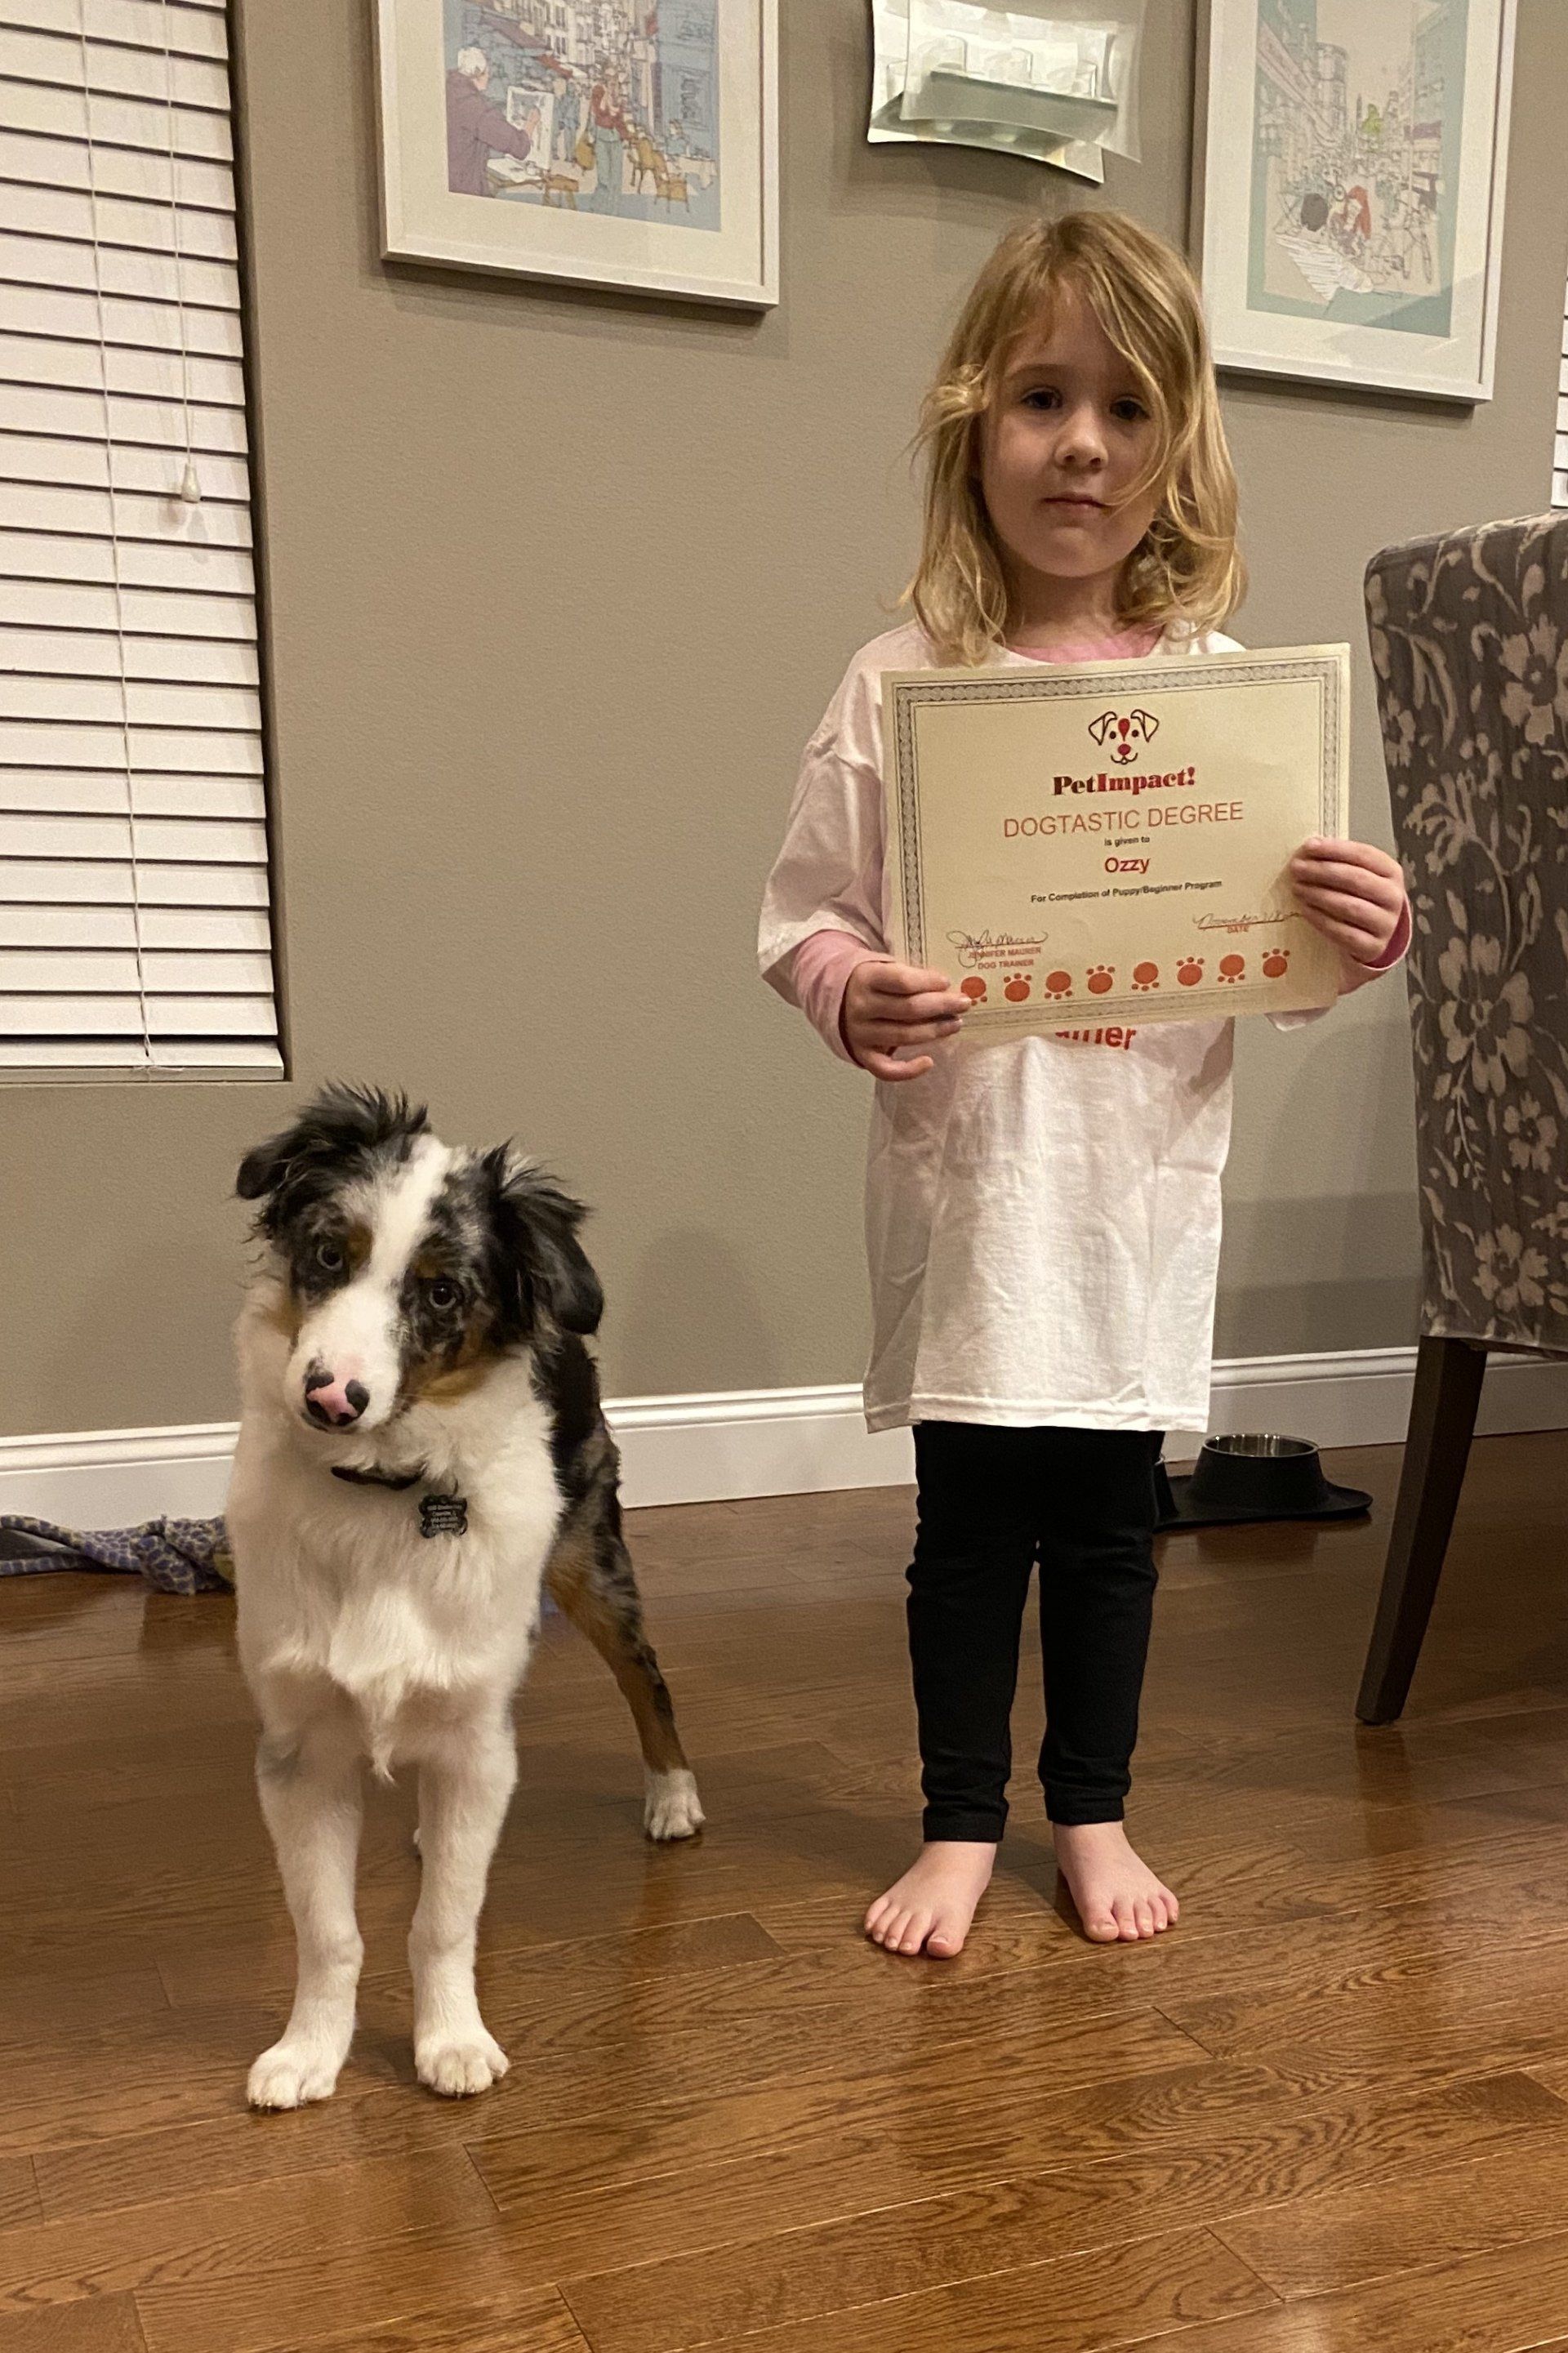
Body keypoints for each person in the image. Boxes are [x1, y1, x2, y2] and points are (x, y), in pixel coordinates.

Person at [757, 212, 1410, 1958]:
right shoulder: (901, 685)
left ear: (1180, 440)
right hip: (975, 1187)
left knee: (1116, 1524)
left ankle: (1091, 1802)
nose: (1084, 445)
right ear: (975, 426)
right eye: (1042, 396)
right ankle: (960, 1818)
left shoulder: (1227, 703)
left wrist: (1359, 930)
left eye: (1129, 407)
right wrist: (852, 989)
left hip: (1133, 1194)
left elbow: (1280, 962)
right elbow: (802, 912)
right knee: (968, 1527)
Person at [445, 47, 538, 198]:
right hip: (465, 190)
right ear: (478, 74)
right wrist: (531, 124)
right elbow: (519, 146)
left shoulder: (448, 87)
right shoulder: (476, 108)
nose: (489, 76)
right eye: (487, 71)